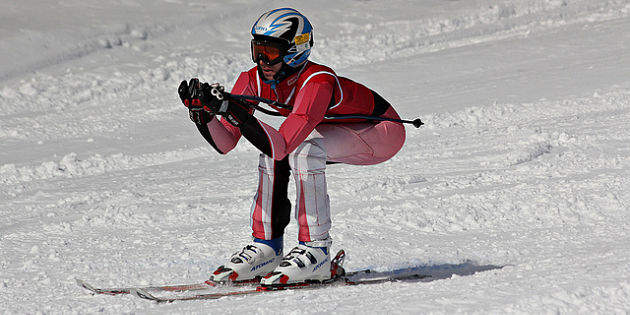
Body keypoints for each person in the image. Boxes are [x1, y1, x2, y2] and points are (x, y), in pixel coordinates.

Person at [177, 8, 406, 286]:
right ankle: (267, 248)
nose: (262, 60)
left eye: (270, 52)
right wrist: (203, 114)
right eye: (257, 50)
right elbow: (226, 142)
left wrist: (233, 110)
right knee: (272, 150)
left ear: (295, 51)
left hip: (381, 132)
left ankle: (316, 251)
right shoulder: (253, 79)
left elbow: (283, 144)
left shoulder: (317, 80)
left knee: (301, 148)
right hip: (338, 131)